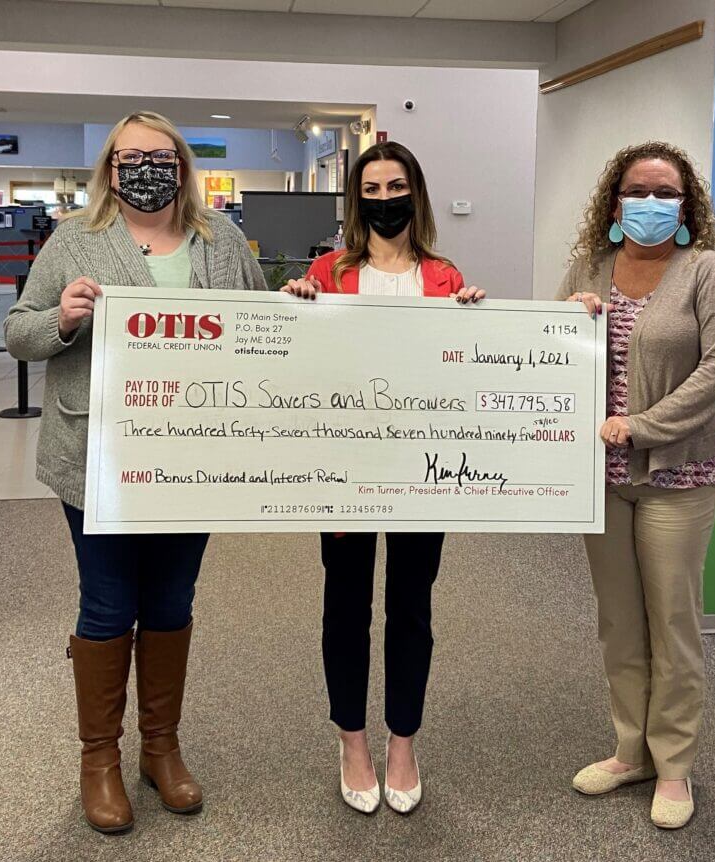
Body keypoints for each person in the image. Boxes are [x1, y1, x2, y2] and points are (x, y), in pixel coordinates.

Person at [4, 111, 266, 834]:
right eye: (128, 158)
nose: (144, 168)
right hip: (101, 456)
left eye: (158, 156)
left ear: (181, 166)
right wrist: (62, 316)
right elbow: (19, 334)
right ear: (109, 170)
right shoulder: (74, 240)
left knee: (173, 599)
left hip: (193, 457)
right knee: (109, 604)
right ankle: (98, 759)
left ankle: (161, 748)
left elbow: (263, 328)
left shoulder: (224, 241)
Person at [281, 141, 485, 815]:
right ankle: (353, 741)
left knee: (411, 607)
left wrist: (481, 325)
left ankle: (403, 742)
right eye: (372, 188)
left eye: (397, 186)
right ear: (355, 199)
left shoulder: (446, 276)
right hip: (344, 468)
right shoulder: (328, 271)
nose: (385, 198)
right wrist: (294, 311)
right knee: (345, 606)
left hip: (421, 469)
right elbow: (302, 369)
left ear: (415, 194)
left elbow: (463, 373)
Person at [557, 142, 715, 829]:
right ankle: (629, 750)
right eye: (639, 190)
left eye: (666, 193)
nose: (652, 203)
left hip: (678, 474)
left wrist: (642, 426)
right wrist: (569, 320)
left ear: (687, 206)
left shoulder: (707, 274)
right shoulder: (591, 267)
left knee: (672, 619)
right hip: (599, 479)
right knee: (619, 621)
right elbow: (549, 358)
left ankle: (674, 766)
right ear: (616, 203)